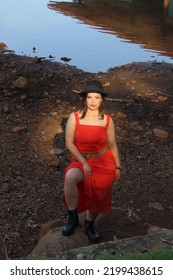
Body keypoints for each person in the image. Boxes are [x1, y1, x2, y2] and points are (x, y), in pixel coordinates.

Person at [62, 80, 122, 242]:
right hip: (82, 161)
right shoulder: (74, 118)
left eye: (96, 97)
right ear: (84, 99)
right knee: (70, 177)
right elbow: (69, 143)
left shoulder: (107, 120)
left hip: (104, 163)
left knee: (99, 193)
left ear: (102, 99)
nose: (93, 101)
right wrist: (84, 163)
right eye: (90, 97)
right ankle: (72, 218)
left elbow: (112, 144)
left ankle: (89, 225)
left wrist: (118, 166)